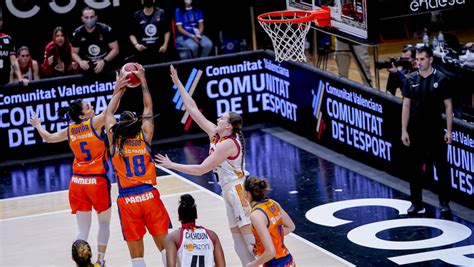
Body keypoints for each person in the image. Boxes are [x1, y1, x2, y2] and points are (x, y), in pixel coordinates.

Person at [155, 65, 255, 265]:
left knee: (249, 239)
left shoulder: (227, 144)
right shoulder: (216, 134)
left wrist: (172, 164)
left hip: (237, 189)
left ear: (228, 126)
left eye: (222, 118)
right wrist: (178, 84)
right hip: (227, 189)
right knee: (236, 239)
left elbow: (201, 169)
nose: (217, 118)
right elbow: (192, 108)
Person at [29, 77, 125, 266]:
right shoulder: (94, 123)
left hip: (77, 183)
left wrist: (38, 125)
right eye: (88, 107)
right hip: (96, 182)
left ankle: (80, 264)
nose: (92, 108)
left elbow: (48, 138)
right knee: (104, 223)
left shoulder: (70, 130)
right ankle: (99, 261)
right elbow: (111, 110)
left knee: (82, 230)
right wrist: (119, 87)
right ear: (82, 115)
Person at [105, 64, 170, 267]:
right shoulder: (145, 137)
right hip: (149, 196)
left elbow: (108, 114)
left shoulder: (115, 142)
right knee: (165, 248)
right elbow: (148, 108)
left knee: (137, 257)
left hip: (128, 200)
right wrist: (143, 81)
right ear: (137, 124)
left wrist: (119, 89)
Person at [401, 45, 453, 216]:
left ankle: (444, 202)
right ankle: (416, 203)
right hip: (416, 130)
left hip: (436, 130)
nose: (419, 62)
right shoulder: (411, 79)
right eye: (417, 59)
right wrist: (404, 130)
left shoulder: (442, 79)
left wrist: (449, 131)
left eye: (422, 59)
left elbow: (448, 106)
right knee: (415, 168)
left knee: (442, 168)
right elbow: (406, 105)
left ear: (430, 60)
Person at [244, 176, 296, 267]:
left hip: (275, 263)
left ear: (247, 194)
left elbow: (271, 252)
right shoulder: (273, 203)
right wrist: (266, 241)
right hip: (288, 260)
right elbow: (291, 227)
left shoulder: (256, 215)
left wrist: (252, 264)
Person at [165, 194, 225, 267]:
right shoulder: (212, 235)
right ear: (196, 215)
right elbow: (222, 265)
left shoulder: (172, 237)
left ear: (179, 218)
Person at [71, 7, 119, 74]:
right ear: (82, 18)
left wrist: (104, 61)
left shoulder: (105, 29)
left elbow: (115, 49)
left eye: (92, 17)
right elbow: (73, 52)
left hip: (108, 65)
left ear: (96, 17)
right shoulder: (77, 33)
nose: (89, 19)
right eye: (86, 17)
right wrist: (80, 62)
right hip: (88, 67)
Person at [129, 0, 171, 65]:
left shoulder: (161, 12)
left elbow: (167, 31)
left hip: (159, 51)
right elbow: (131, 34)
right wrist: (136, 45)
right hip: (143, 52)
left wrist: (165, 45)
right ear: (142, 1)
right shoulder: (137, 15)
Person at [0, 15, 22, 85]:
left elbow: (13, 61)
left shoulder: (7, 39)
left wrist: (20, 78)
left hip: (4, 80)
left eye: (0, 20)